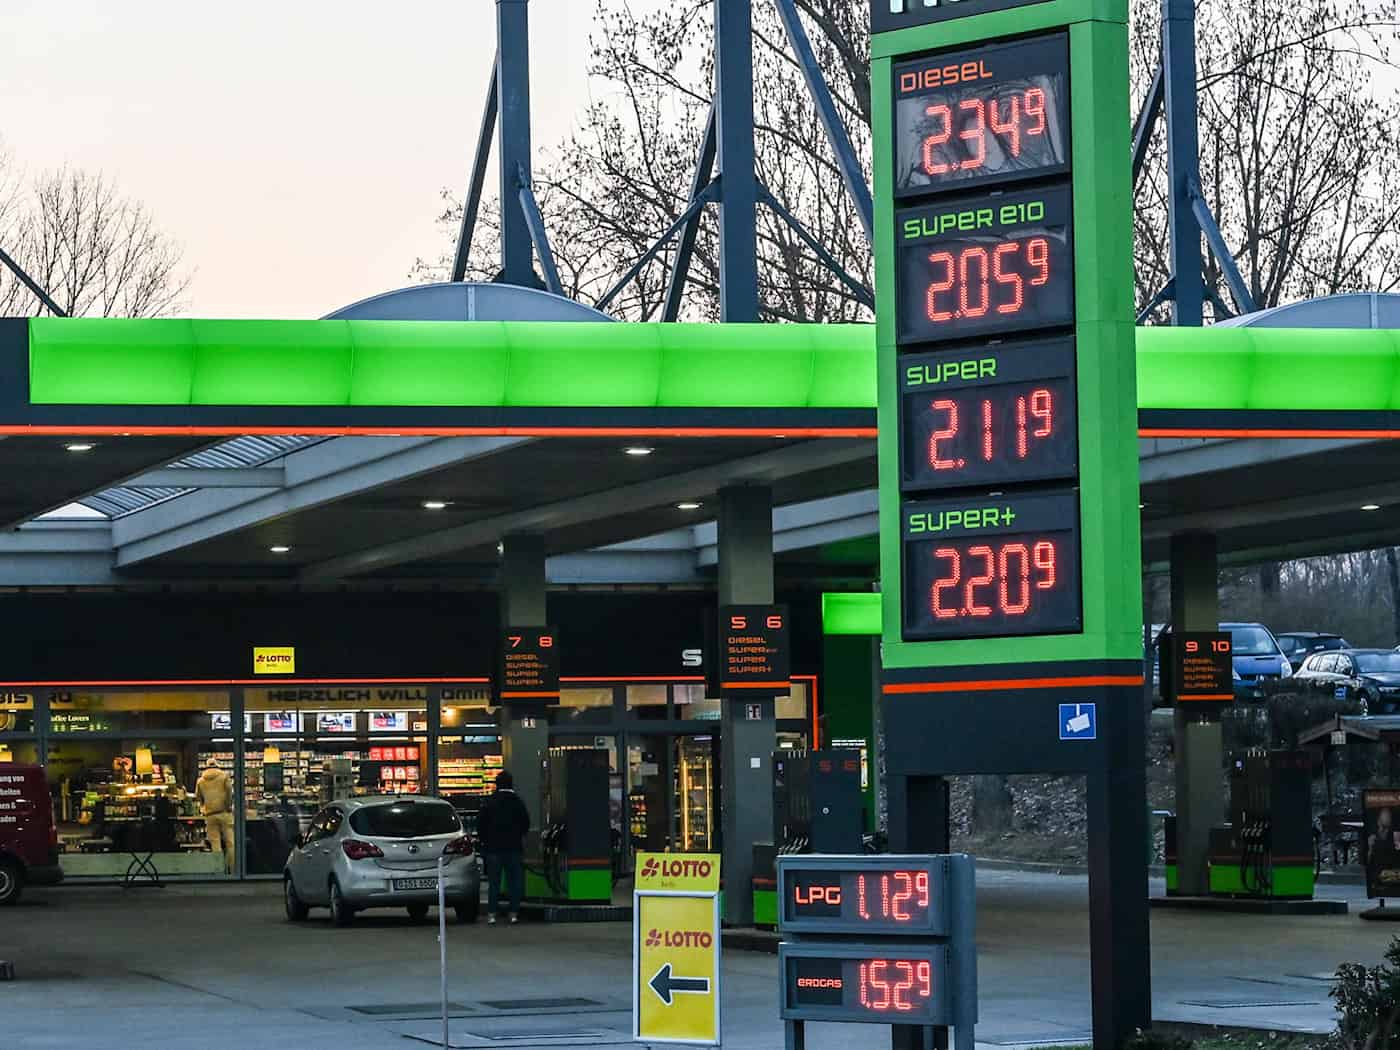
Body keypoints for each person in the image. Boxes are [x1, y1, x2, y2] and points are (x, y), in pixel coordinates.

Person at [478, 770, 530, 925]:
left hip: (493, 849)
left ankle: (492, 914)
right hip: (513, 848)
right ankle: (513, 913)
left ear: (497, 785)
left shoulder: (489, 801)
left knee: (494, 882)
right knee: (514, 881)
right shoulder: (517, 801)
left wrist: (485, 841)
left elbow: (481, 824)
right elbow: (525, 823)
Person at [195, 759, 236, 875]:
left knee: (215, 844)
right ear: (217, 765)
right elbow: (229, 793)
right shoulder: (224, 777)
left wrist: (204, 807)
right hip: (224, 813)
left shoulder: (201, 780)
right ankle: (232, 871)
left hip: (210, 815)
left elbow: (198, 797)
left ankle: (219, 871)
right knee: (230, 843)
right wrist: (228, 806)